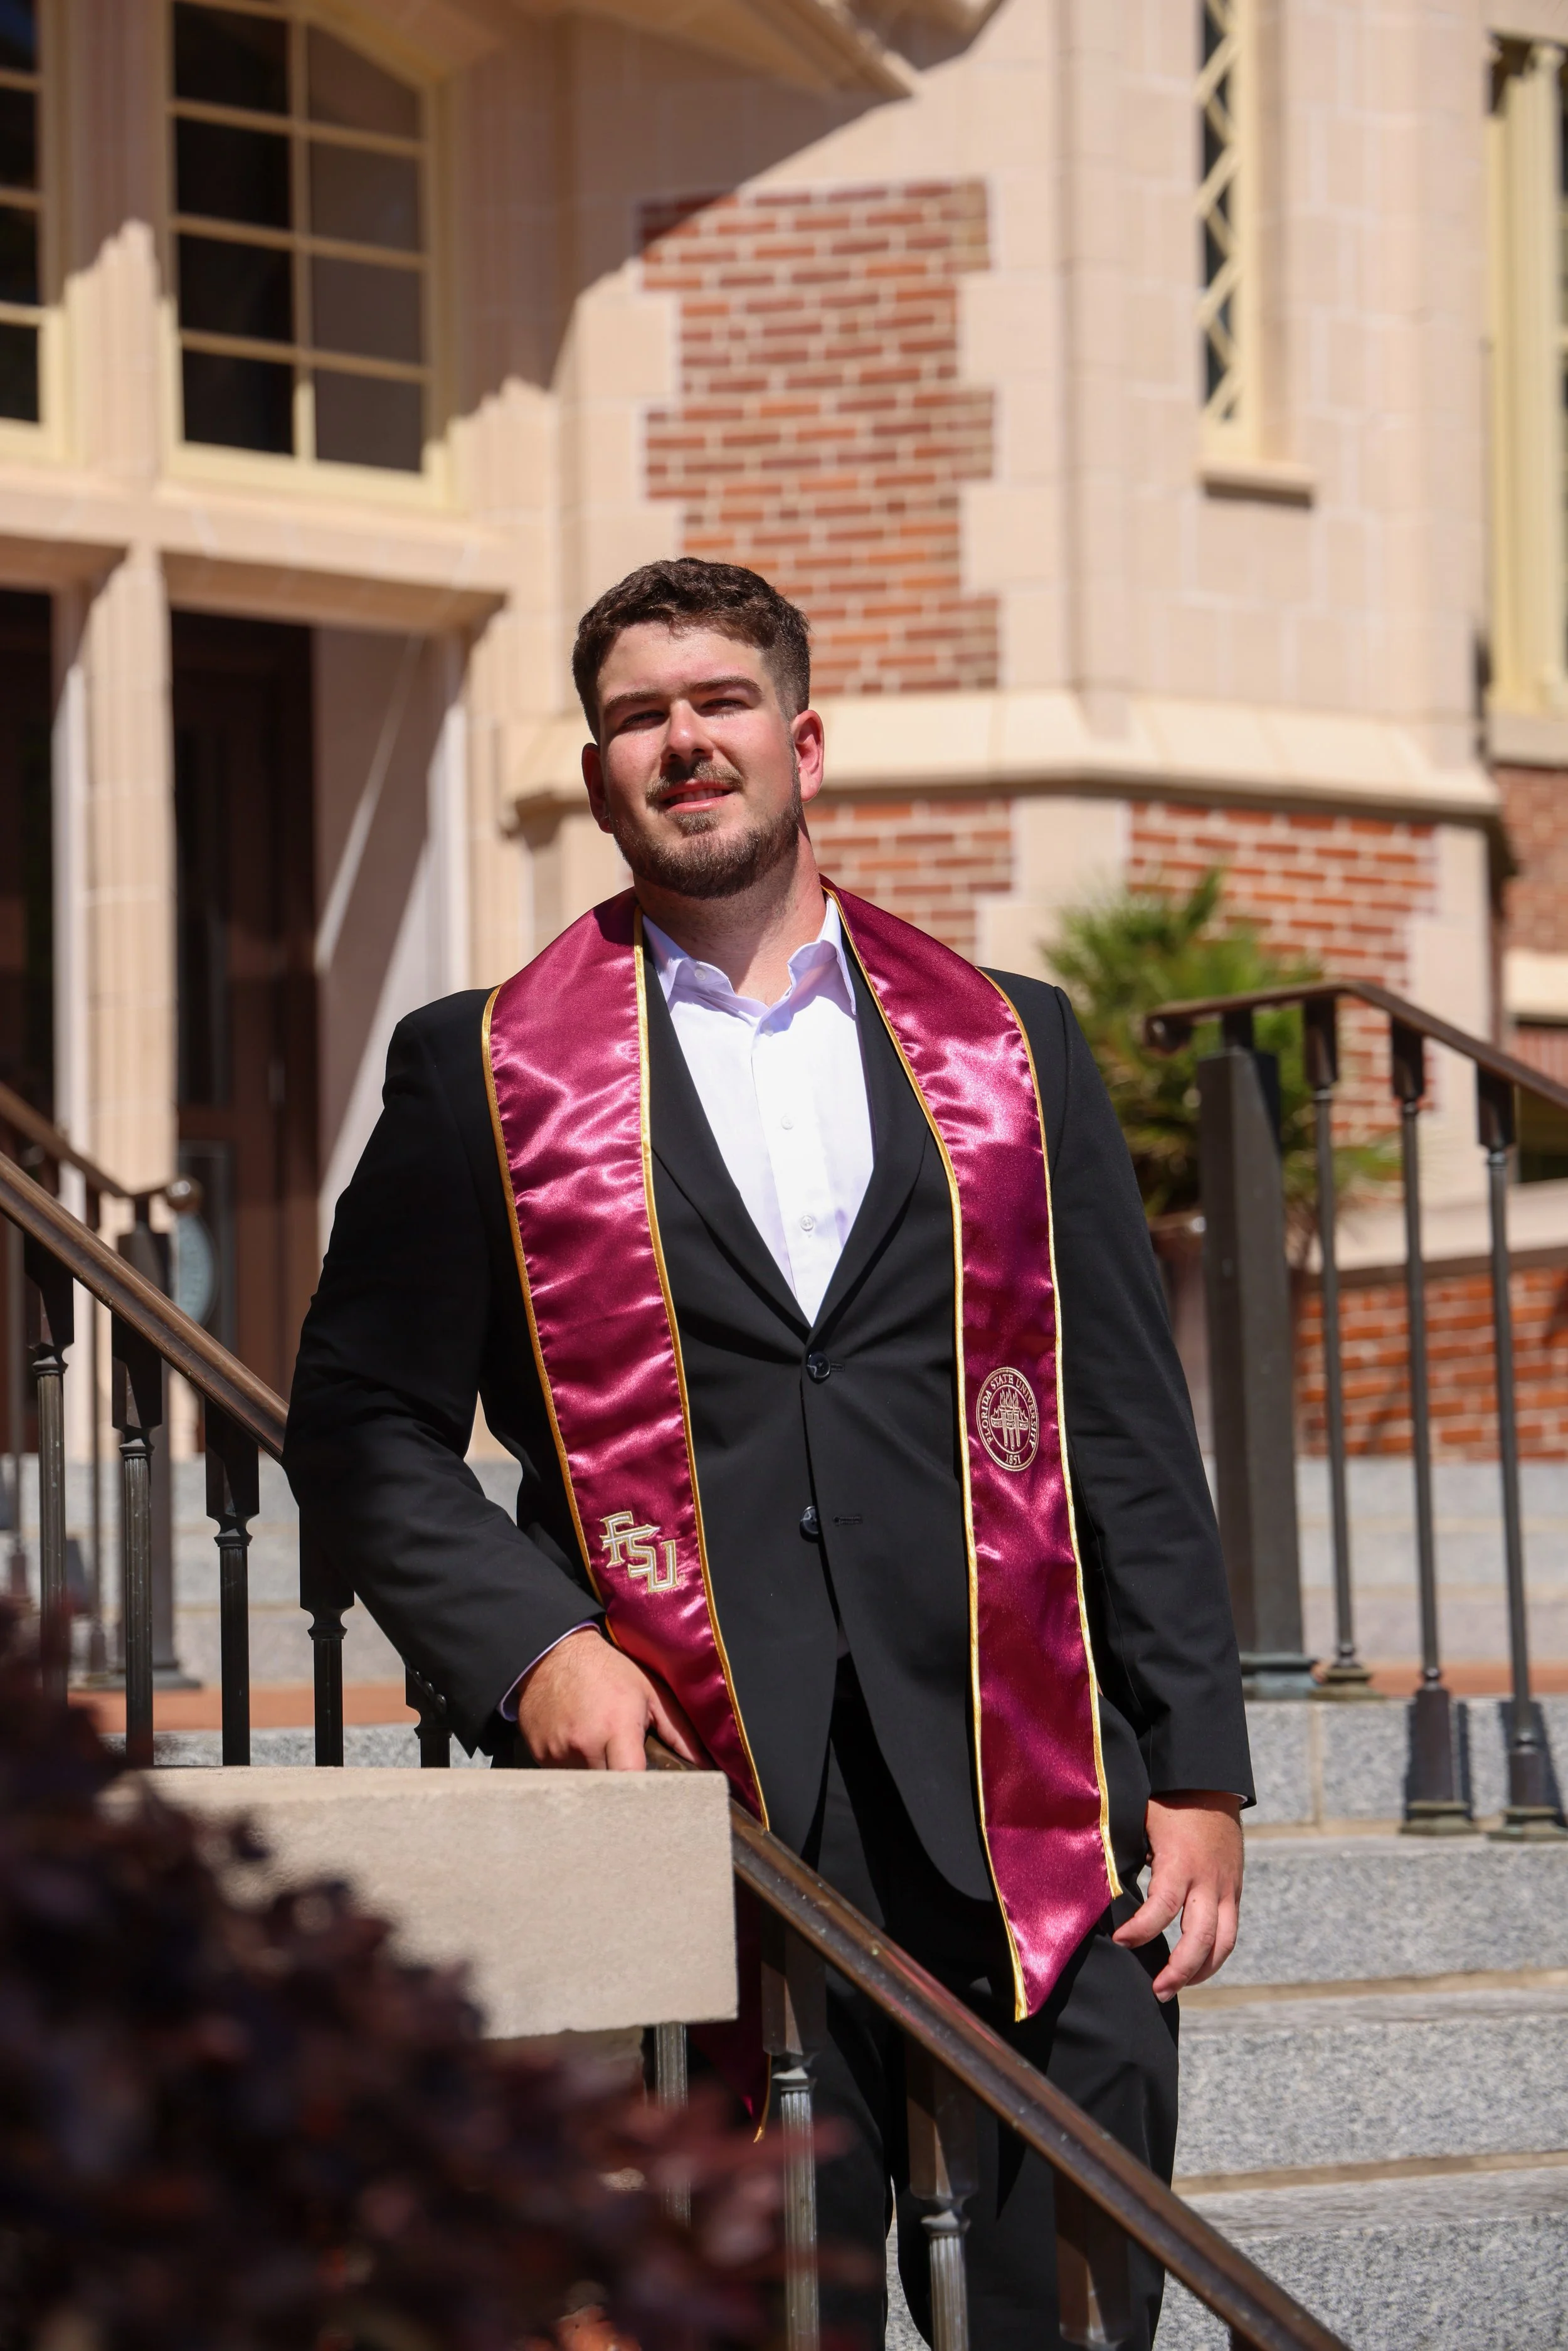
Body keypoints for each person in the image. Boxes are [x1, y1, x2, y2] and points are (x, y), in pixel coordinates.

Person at [284, 558, 1253, 2351]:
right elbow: (355, 1423)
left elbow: (1119, 1420)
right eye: (640, 718)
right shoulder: (481, 1074)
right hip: (700, 1818)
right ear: (599, 775)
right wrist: (532, 1642)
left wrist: (1193, 1766)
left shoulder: (1009, 1048)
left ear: (801, 741)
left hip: (1029, 1800)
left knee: (1073, 2310)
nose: (684, 742)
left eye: (718, 703)